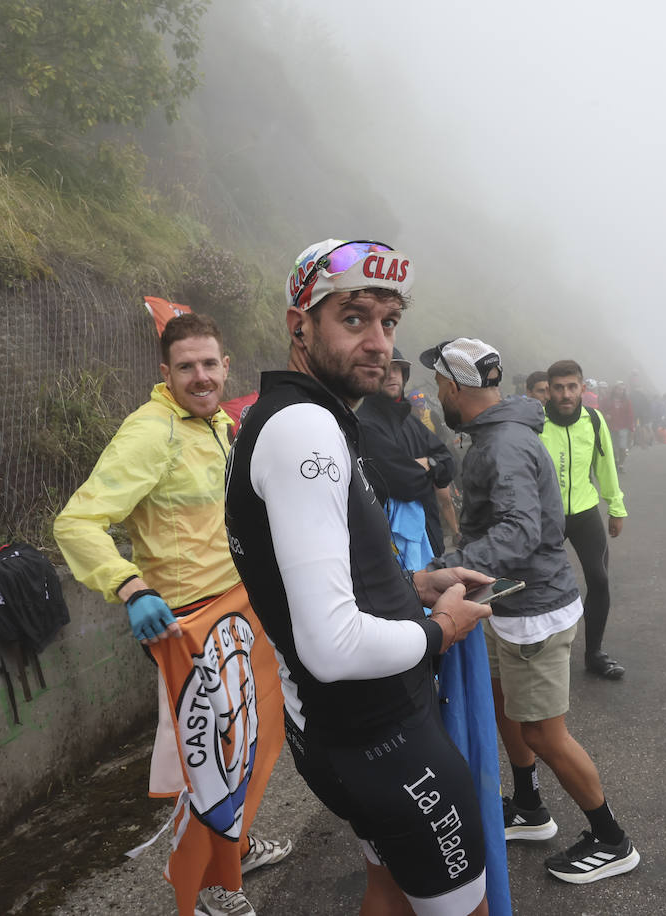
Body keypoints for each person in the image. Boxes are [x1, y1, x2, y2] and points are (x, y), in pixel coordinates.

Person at [225, 238, 497, 916]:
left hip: (338, 736)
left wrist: (413, 589)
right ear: (300, 325)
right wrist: (440, 630)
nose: (379, 341)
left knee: (388, 889)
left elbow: (326, 575)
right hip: (385, 740)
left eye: (390, 321)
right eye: (354, 319)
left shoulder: (297, 419)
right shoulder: (306, 431)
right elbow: (333, 644)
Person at [53, 312, 291, 916]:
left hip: (243, 610)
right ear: (166, 373)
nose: (201, 376)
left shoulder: (218, 424)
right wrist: (130, 588)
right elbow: (76, 523)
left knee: (255, 744)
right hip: (188, 624)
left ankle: (232, 849)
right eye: (186, 367)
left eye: (210, 364)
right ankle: (211, 887)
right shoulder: (149, 432)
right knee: (213, 763)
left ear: (226, 366)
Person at [421, 339, 641, 887]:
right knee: (505, 708)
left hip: (533, 611)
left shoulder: (503, 446)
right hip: (507, 602)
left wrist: (447, 567)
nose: (434, 394)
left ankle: (612, 840)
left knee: (544, 733)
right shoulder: (500, 435)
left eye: (437, 385)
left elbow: (519, 531)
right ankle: (529, 807)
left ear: (454, 387)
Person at [538, 360, 629, 680]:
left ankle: (595, 654)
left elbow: (606, 465)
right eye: (559, 388)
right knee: (538, 583)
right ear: (549, 390)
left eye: (571, 387)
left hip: (585, 510)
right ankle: (537, 652)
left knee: (599, 580)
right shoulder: (536, 422)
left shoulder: (593, 419)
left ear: (582, 389)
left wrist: (615, 507)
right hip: (545, 515)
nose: (565, 394)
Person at [359, 347, 460, 567]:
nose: (391, 374)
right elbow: (406, 484)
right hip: (392, 549)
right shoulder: (366, 426)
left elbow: (449, 461)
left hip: (431, 535)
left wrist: (427, 464)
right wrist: (430, 469)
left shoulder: (410, 421)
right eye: (384, 368)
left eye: (397, 368)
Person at [601, 382, 635, 468]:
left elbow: (630, 414)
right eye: (619, 389)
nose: (621, 391)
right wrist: (605, 415)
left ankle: (621, 464)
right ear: (614, 389)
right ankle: (615, 460)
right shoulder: (607, 400)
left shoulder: (627, 401)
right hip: (610, 426)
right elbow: (601, 410)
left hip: (623, 427)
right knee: (611, 446)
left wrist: (631, 428)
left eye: (623, 390)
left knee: (622, 447)